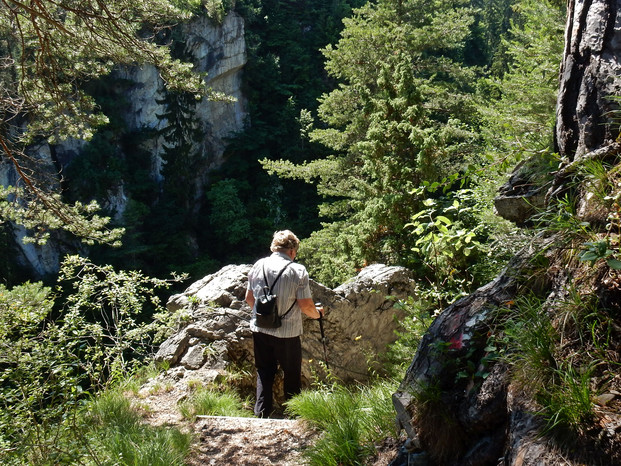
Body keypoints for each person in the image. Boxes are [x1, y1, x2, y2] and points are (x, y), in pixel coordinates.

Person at [245, 230, 324, 418]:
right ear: (292, 250)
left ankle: (262, 415)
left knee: (264, 372)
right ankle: (294, 415)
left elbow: (249, 299)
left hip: (260, 329)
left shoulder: (258, 265)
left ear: (275, 248)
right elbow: (305, 306)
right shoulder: (297, 270)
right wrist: (317, 315)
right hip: (287, 334)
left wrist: (267, 316)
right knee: (291, 374)